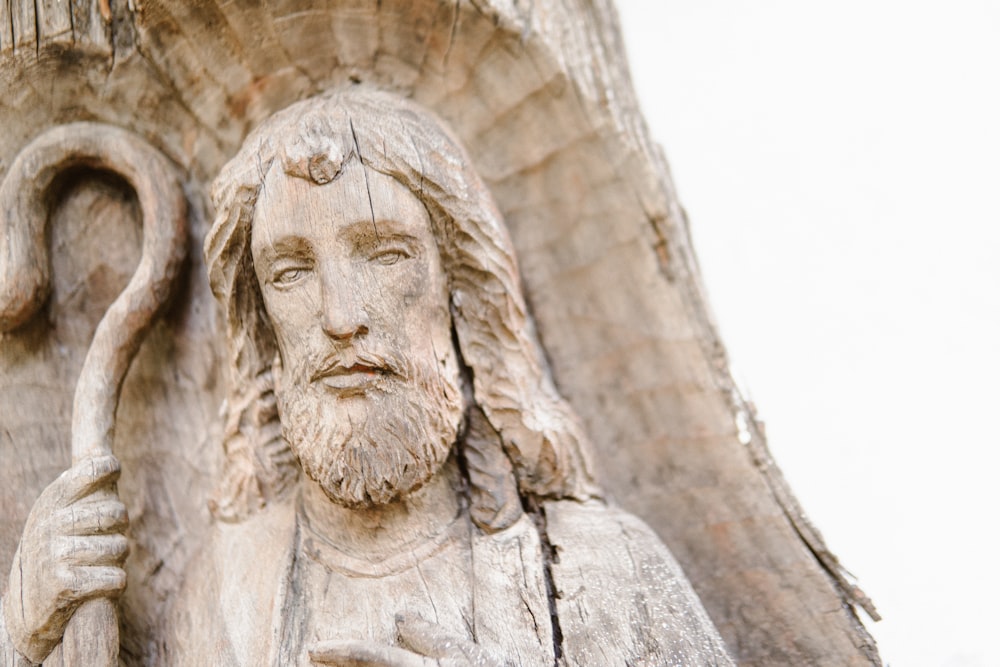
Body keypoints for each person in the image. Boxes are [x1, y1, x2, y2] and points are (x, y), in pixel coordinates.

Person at [2, 89, 733, 666]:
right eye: (290, 271)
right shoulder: (226, 590)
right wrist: (29, 639)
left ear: (461, 290)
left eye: (383, 254)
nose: (340, 316)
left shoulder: (608, 574)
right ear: (262, 331)